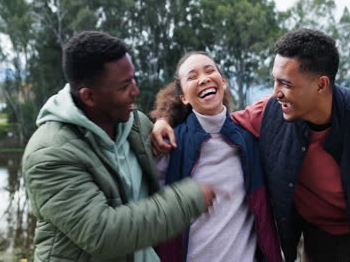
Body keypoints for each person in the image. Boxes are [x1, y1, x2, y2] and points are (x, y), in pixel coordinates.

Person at [151, 29, 350, 262]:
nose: (275, 92)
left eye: (286, 83)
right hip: (316, 242)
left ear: (321, 84)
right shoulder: (270, 113)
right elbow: (213, 117)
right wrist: (165, 118)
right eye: (274, 80)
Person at [22, 31, 216, 262]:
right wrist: (189, 199)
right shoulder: (48, 155)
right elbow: (104, 234)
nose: (135, 91)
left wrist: (164, 118)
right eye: (124, 86)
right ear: (89, 97)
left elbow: (189, 99)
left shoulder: (135, 123)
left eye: (133, 79)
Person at [150, 51, 282, 262]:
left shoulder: (249, 139)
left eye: (210, 71)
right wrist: (162, 120)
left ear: (223, 81)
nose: (204, 79)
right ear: (183, 97)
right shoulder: (170, 145)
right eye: (192, 77)